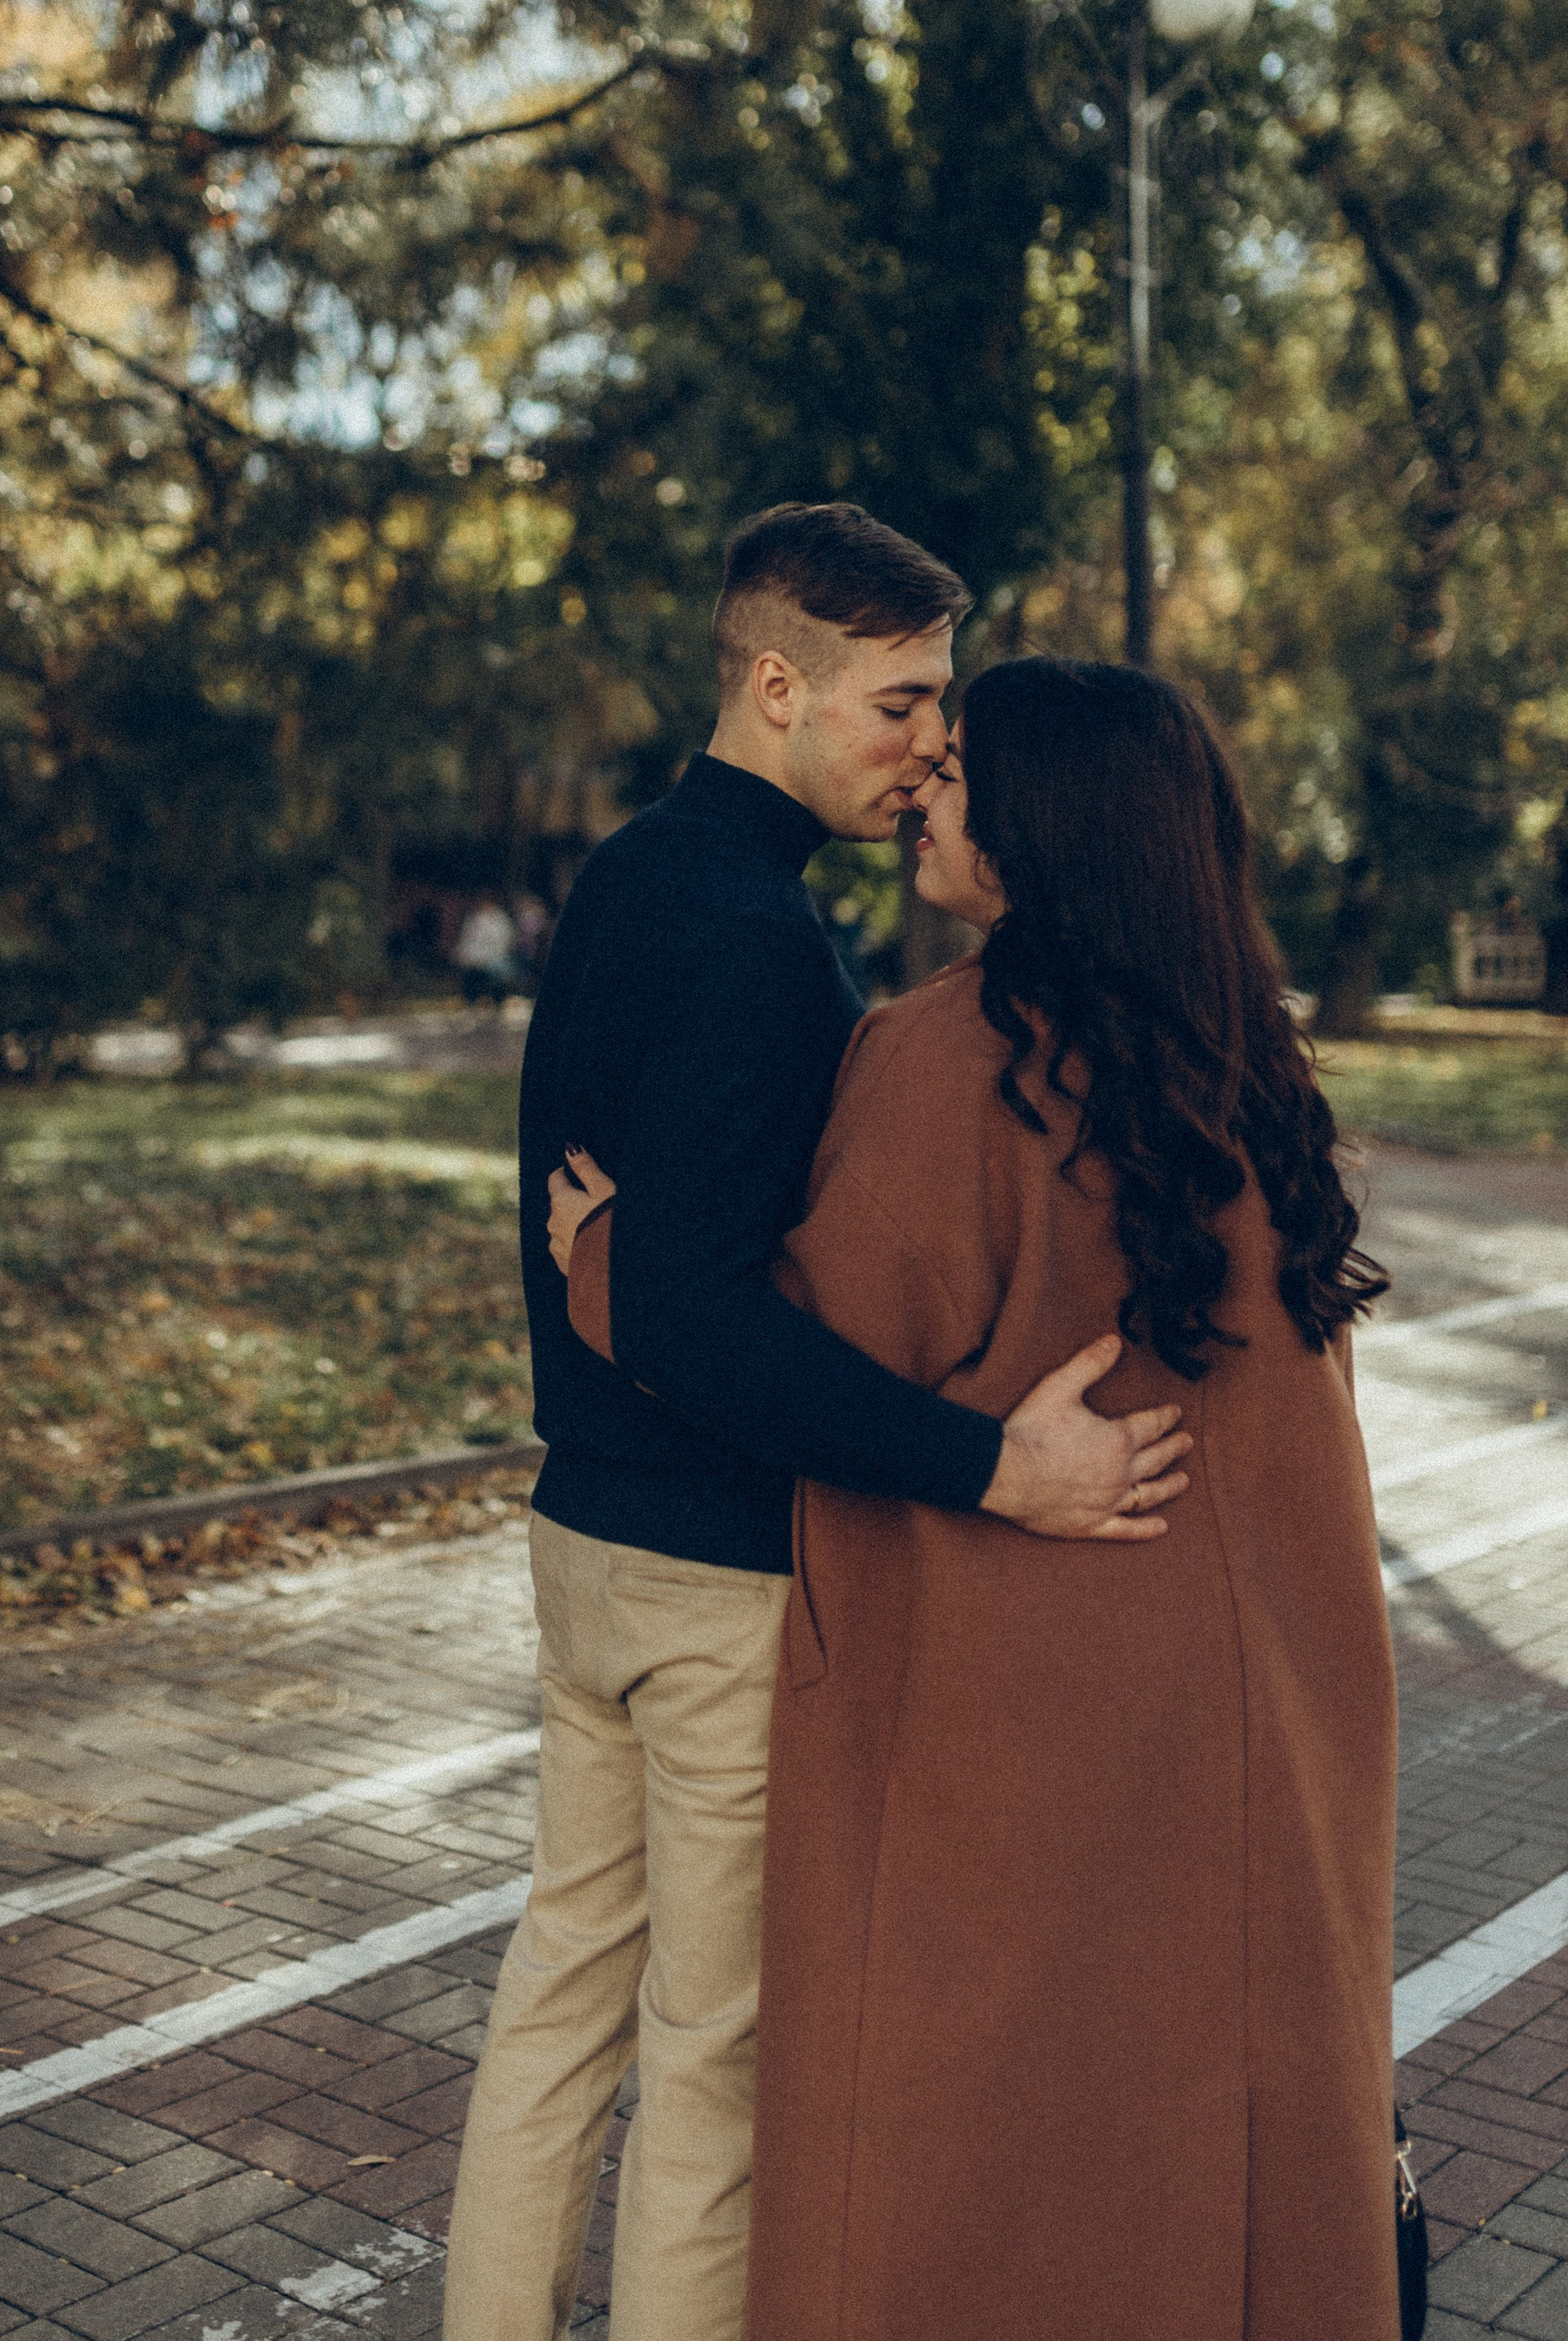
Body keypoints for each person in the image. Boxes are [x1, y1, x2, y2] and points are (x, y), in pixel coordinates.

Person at [554, 658, 1398, 2341]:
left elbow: (797, 1341)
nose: (927, 782)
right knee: (1229, 2141)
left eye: (962, 768)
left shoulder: (953, 1058)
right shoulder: (1251, 1059)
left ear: (1042, 828)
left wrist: (603, 1265)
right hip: (1275, 1717)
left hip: (1026, 1717)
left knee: (985, 2172)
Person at [441, 509, 1193, 2341]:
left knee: (558, 2002)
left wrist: (622, 1276)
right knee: (707, 2065)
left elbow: (621, 1243)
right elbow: (708, 1322)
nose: (934, 746)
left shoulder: (621, 879)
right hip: (704, 1582)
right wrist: (990, 1465)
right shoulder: (764, 946)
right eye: (901, 701)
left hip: (577, 1549)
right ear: (774, 685)